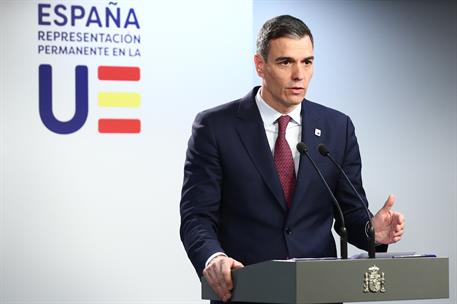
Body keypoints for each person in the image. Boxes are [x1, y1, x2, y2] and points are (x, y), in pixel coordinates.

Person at [180, 15, 405, 303]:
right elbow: (196, 216)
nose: (299, 74)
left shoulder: (338, 128)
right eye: (286, 62)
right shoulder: (216, 127)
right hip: (245, 291)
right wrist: (214, 257)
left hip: (319, 292)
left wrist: (374, 231)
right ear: (260, 65)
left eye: (307, 62)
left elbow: (349, 213)